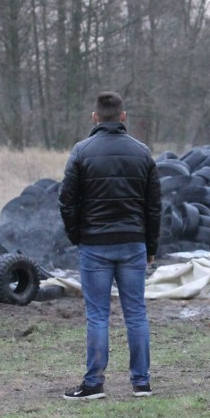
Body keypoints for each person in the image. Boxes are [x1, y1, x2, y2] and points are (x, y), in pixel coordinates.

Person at [59, 91, 162, 400]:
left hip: (94, 244)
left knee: (98, 315)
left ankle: (93, 383)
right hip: (133, 243)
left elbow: (66, 201)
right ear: (123, 116)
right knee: (136, 313)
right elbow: (154, 206)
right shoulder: (142, 153)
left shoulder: (81, 151)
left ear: (95, 117)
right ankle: (141, 382)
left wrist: (77, 235)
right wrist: (151, 244)